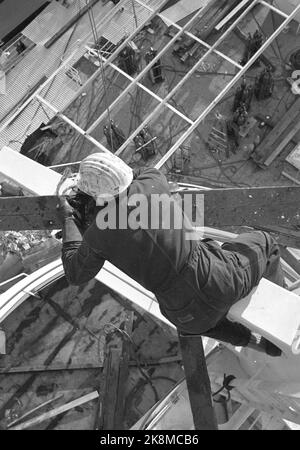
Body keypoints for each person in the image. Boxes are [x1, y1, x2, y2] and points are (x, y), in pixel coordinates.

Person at [57, 152, 285, 357]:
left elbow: (75, 273)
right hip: (221, 281)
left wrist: (70, 218)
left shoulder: (97, 236)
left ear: (89, 194)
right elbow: (139, 173)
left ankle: (255, 342)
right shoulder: (152, 183)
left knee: (200, 323)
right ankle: (283, 315)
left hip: (183, 314)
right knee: (266, 242)